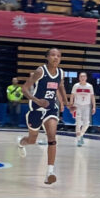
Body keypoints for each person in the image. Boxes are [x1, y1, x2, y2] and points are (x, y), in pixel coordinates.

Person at [18, 48, 68, 184]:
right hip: (36, 109)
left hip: (51, 108)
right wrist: (37, 100)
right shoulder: (40, 71)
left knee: (52, 136)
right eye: (53, 55)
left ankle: (49, 172)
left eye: (58, 55)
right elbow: (24, 88)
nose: (56, 58)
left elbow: (61, 86)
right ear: (47, 57)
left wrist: (66, 102)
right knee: (32, 140)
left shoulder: (61, 72)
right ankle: (22, 143)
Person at [70, 70, 96, 146]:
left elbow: (92, 97)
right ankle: (78, 140)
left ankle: (81, 135)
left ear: (86, 78)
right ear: (79, 78)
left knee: (87, 123)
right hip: (77, 105)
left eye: (84, 76)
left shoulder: (90, 86)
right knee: (78, 122)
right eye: (81, 76)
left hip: (87, 106)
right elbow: (72, 96)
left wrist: (94, 107)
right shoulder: (76, 86)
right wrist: (71, 105)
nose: (82, 78)